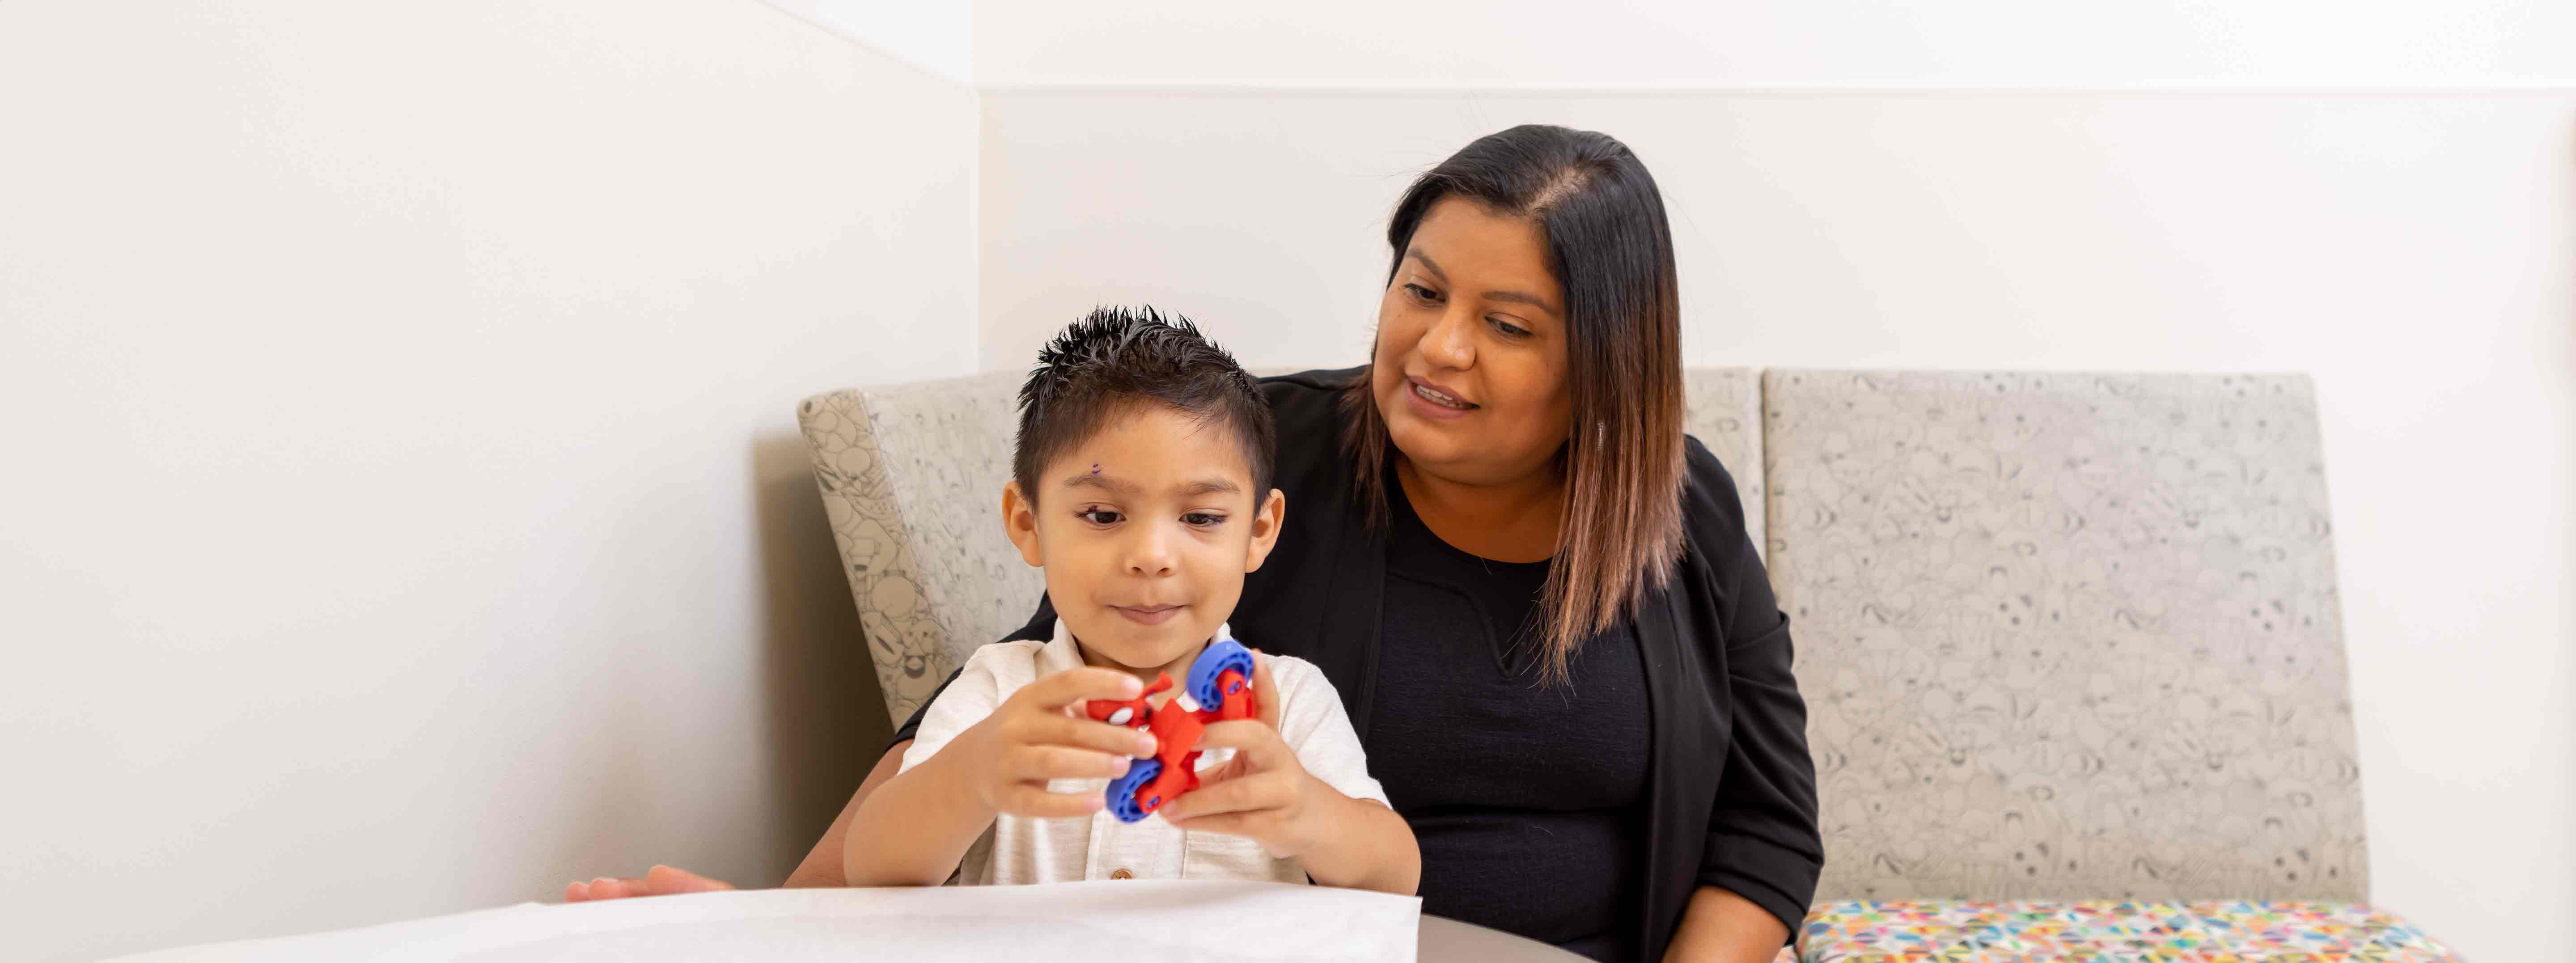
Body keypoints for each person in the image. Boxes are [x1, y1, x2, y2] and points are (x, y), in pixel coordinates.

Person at [574, 125, 1821, 963]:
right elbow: (1019, 685)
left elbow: (1768, 829)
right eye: (1423, 288)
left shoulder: (1676, 506)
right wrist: (779, 929)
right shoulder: (1251, 457)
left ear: (1605, 360)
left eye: (1508, 323)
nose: (1439, 347)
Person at [840, 307, 1415, 893]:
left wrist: (1308, 814)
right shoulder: (1000, 694)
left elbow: (1396, 876)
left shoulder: (1287, 701)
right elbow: (871, 868)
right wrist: (975, 774)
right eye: (1104, 514)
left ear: (1259, 530)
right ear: (1028, 522)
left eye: (1201, 517)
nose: (1152, 555)